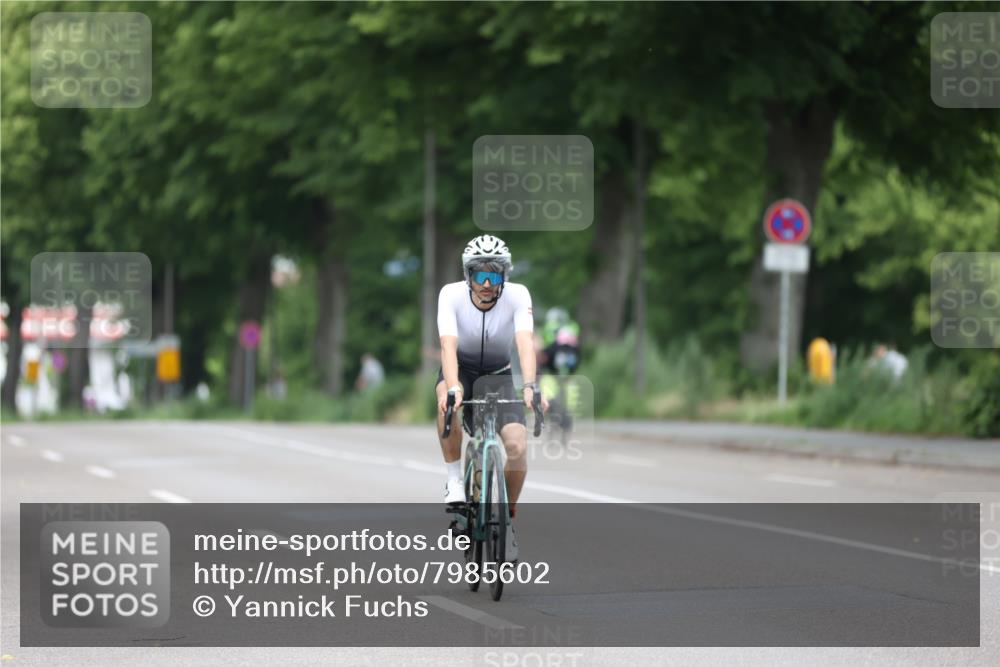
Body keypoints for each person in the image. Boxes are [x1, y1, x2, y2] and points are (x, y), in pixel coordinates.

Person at [436, 234, 546, 562]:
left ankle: (509, 521)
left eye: (494, 274)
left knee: (517, 446)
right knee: (446, 399)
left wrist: (530, 385)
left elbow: (525, 342)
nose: (486, 283)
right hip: (462, 370)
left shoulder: (517, 295)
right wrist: (453, 387)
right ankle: (455, 480)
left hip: (499, 374)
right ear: (467, 275)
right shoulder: (450, 295)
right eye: (479, 274)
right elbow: (447, 346)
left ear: (504, 276)